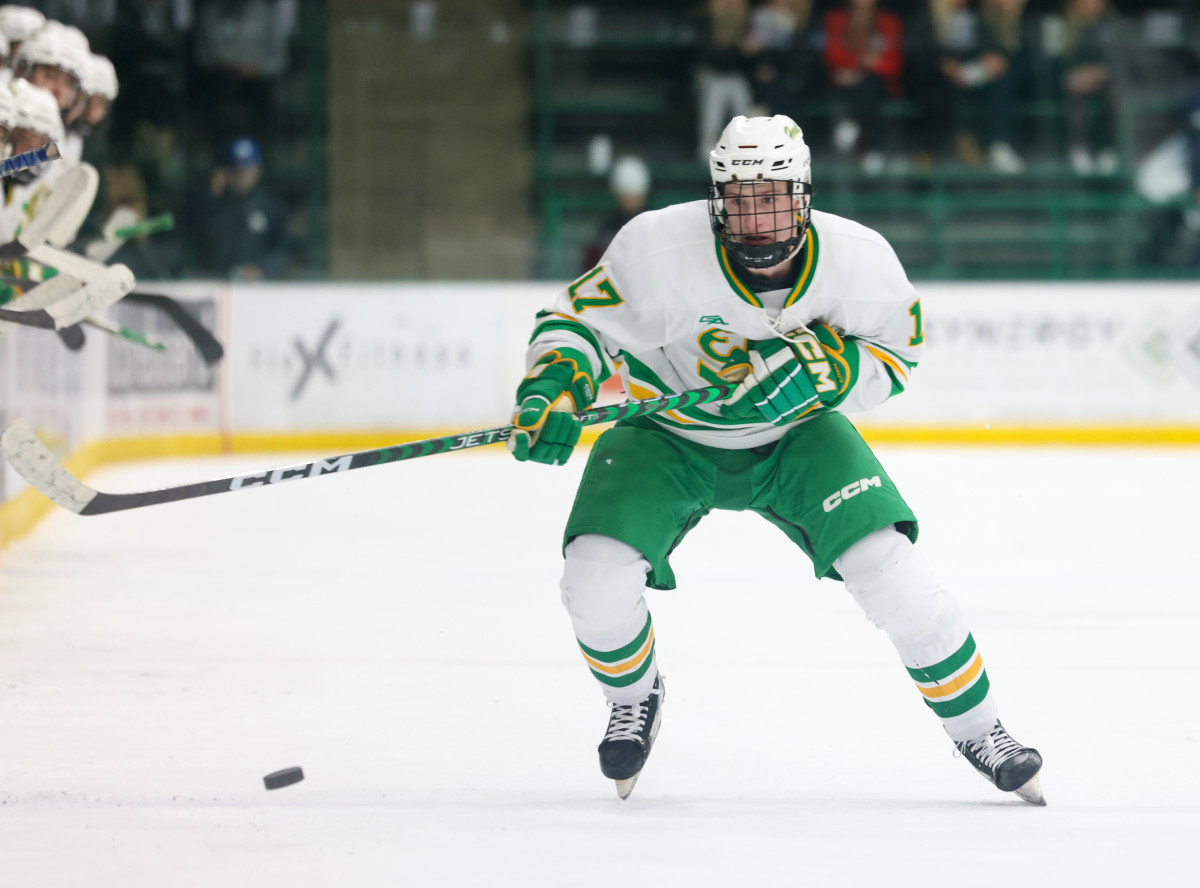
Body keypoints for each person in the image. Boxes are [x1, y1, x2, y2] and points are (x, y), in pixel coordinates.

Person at [506, 114, 1045, 805]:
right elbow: (575, 322)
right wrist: (552, 388)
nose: (758, 220)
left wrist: (837, 372)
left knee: (895, 576)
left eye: (774, 198)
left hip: (799, 437)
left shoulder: (860, 261)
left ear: (804, 194)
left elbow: (896, 355)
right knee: (593, 582)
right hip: (667, 434)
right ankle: (634, 699)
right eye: (740, 199)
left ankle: (982, 730)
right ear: (716, 200)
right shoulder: (656, 248)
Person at [822, 0, 905, 174]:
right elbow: (832, 54)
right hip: (844, 81)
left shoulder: (888, 22)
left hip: (877, 83)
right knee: (852, 85)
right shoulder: (837, 19)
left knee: (868, 86)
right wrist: (855, 68)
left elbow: (894, 64)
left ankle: (853, 125)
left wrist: (869, 66)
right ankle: (868, 148)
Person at [188, 135, 287, 280]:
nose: (242, 175)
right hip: (215, 281)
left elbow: (280, 251)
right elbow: (194, 240)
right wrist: (210, 194)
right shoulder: (212, 206)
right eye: (236, 170)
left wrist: (262, 270)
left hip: (260, 287)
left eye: (247, 169)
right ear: (225, 172)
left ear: (258, 169)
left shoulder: (270, 207)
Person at [1061, 0, 1121, 177]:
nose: (1092, 4)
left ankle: (1108, 150)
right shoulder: (1064, 25)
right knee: (1076, 93)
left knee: (1114, 95)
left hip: (1104, 78)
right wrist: (1073, 73)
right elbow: (1056, 58)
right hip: (1074, 79)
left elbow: (1120, 58)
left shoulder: (1113, 25)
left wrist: (1100, 73)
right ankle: (1079, 150)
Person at [581, 155, 651, 272]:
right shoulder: (608, 228)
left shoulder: (652, 222)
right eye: (627, 194)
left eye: (634, 194)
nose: (631, 199)